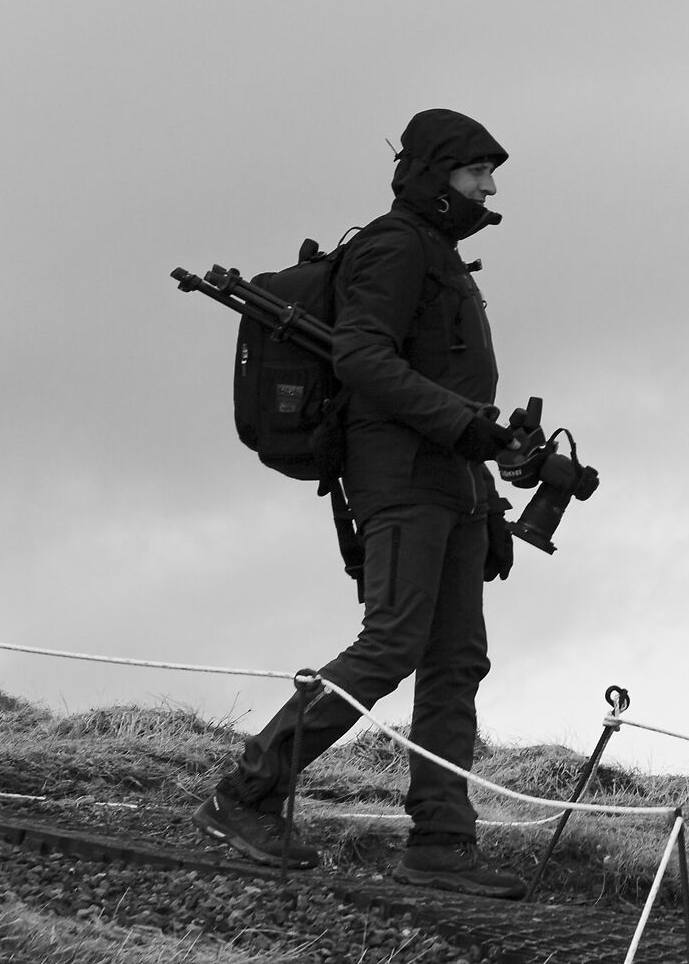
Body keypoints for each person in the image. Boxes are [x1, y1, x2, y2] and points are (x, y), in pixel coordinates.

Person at [194, 108, 527, 898]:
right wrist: (465, 430)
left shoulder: (438, 253)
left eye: (491, 175)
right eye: (475, 171)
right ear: (434, 174)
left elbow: (439, 385)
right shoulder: (396, 245)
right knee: (392, 643)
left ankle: (442, 844)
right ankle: (245, 795)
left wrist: (492, 465)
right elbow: (363, 357)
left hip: (450, 483)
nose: (487, 186)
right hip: (402, 478)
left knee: (456, 662)